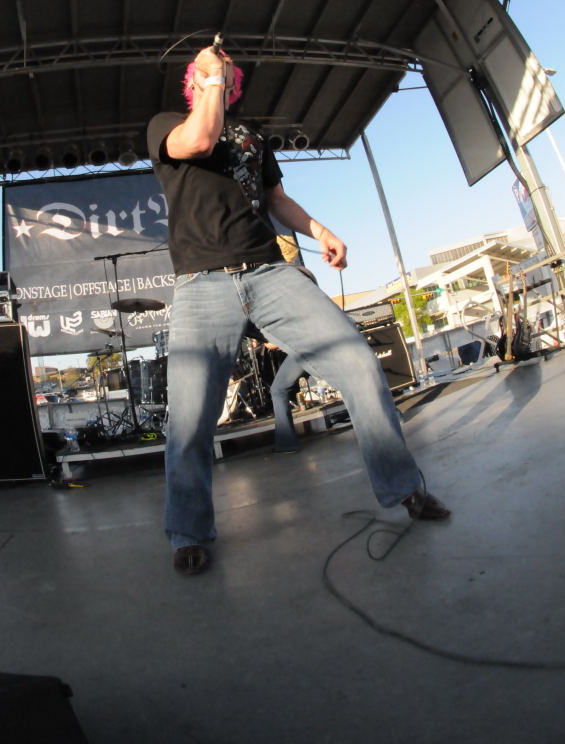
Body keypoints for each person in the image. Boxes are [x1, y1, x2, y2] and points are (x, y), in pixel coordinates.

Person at [147, 44, 450, 576]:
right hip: (201, 284)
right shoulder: (165, 124)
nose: (220, 80)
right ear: (193, 81)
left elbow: (277, 199)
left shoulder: (253, 135)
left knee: (357, 363)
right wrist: (211, 76)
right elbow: (199, 141)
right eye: (209, 76)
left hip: (269, 272)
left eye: (226, 77)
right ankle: (189, 531)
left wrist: (321, 231)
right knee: (190, 419)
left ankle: (405, 488)